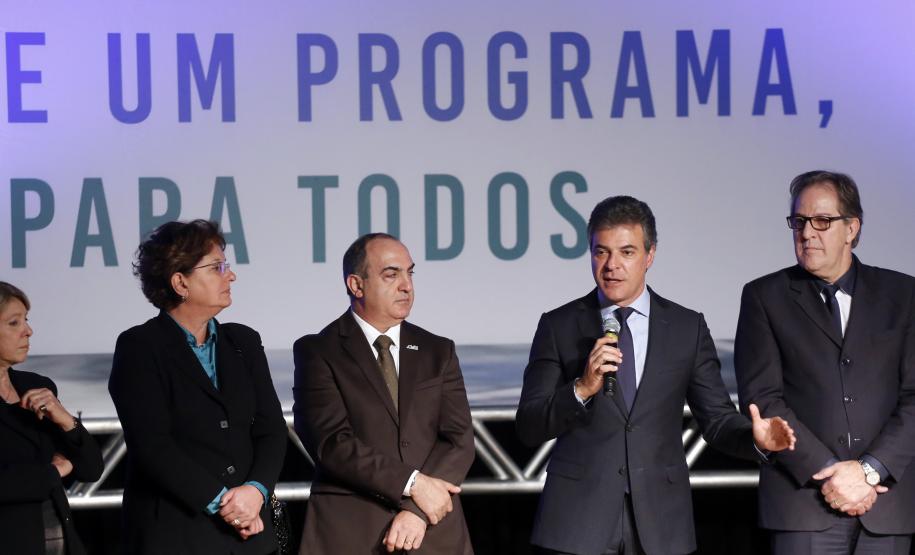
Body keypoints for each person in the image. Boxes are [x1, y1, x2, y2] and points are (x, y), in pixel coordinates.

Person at [516, 195, 797, 555]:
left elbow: (717, 420)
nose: (612, 266)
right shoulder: (558, 326)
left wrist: (755, 439)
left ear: (650, 255)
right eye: (601, 252)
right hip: (576, 522)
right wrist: (582, 387)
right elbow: (529, 425)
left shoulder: (686, 328)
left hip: (661, 524)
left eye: (627, 252)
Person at [734, 171, 915, 554]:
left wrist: (867, 471)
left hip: (886, 505)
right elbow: (764, 400)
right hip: (802, 507)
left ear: (852, 228)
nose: (806, 232)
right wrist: (833, 473)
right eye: (798, 222)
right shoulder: (764, 297)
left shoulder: (904, 295)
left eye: (822, 221)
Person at [108, 220, 287, 554]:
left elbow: (272, 430)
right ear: (180, 282)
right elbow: (153, 447)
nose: (230, 275)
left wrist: (255, 491)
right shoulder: (140, 347)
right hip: (178, 535)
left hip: (251, 536)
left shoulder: (243, 342)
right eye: (217, 267)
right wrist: (226, 506)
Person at [293, 233, 475, 554]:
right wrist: (413, 484)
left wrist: (416, 512)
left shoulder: (438, 350)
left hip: (432, 532)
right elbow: (332, 444)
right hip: (353, 532)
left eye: (410, 273)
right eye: (391, 275)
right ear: (356, 285)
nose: (406, 285)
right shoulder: (319, 351)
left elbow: (458, 440)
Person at [0, 281, 103, 555]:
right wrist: (54, 471)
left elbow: (91, 469)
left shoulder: (36, 386)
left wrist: (65, 420)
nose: (28, 331)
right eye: (14, 323)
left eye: (26, 320)